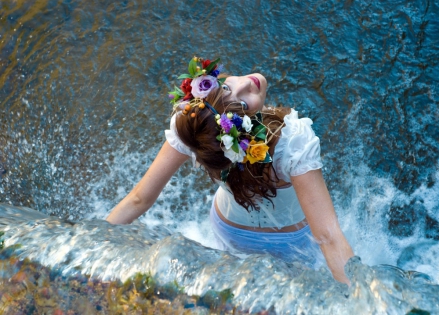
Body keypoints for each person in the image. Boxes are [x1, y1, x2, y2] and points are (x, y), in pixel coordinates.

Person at [106, 57, 354, 284]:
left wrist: (96, 247)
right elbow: (328, 237)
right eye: (243, 103)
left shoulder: (196, 126)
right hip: (290, 241)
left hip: (230, 230)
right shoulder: (293, 142)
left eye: (225, 87)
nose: (246, 83)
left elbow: (139, 199)